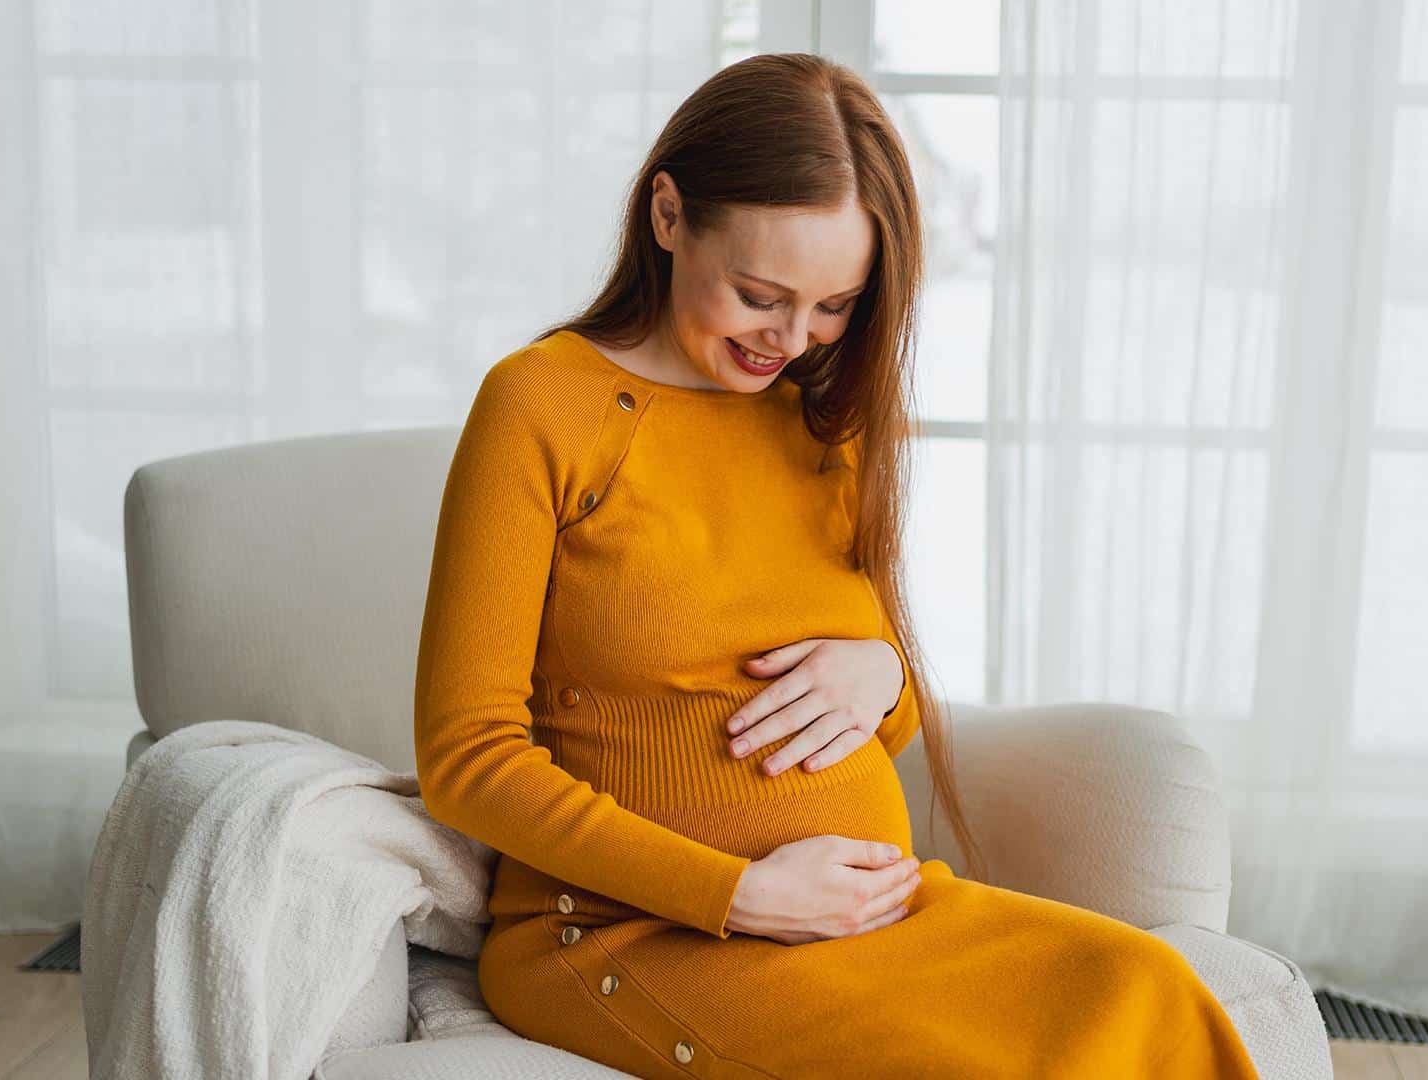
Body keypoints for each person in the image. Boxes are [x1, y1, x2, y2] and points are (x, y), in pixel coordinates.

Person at [412, 51, 1260, 1079]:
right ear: (668, 216)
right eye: (761, 294)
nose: (795, 337)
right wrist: (738, 894)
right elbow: (468, 759)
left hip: (867, 913)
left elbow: (884, 720)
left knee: (1150, 991)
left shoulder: (821, 419)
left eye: (834, 306)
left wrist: (884, 670)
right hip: (621, 934)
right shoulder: (540, 406)